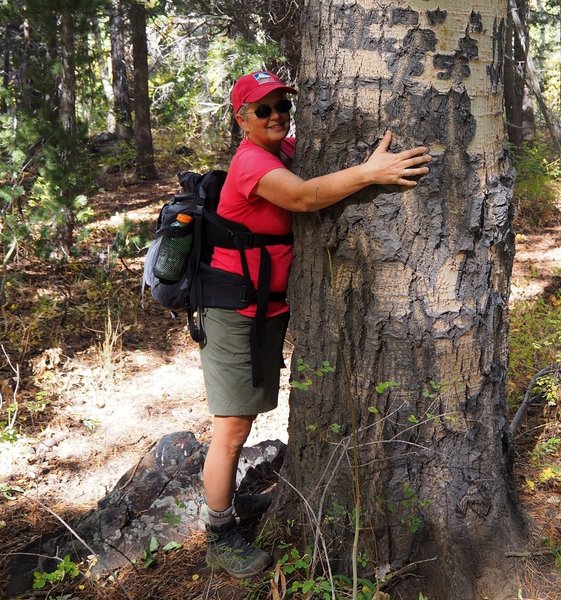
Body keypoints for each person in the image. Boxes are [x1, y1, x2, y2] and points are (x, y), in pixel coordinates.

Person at [200, 70, 431, 579]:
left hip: (264, 308)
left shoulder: (284, 149)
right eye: (263, 109)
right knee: (233, 427)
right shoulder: (252, 163)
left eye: (283, 105)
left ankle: (231, 506)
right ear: (241, 119)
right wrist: (373, 173)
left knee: (249, 415)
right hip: (233, 310)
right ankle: (219, 535)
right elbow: (305, 198)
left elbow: (320, 168)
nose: (277, 114)